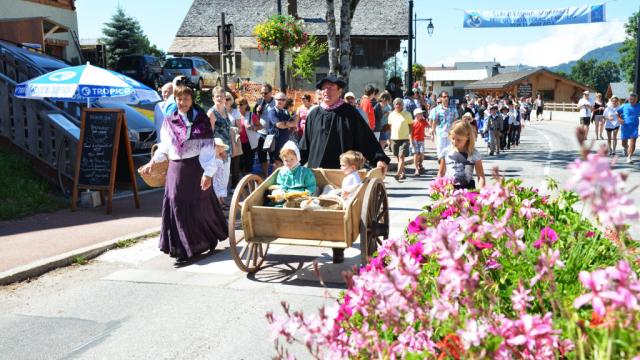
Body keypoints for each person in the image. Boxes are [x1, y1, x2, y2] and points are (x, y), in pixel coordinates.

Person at [299, 75, 390, 263]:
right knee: (314, 205)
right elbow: (305, 145)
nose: (327, 91)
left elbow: (366, 138)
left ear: (339, 90)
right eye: (324, 88)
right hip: (317, 171)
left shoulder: (349, 113)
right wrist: (293, 162)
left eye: (331, 87)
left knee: (336, 210)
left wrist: (379, 158)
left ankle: (337, 247)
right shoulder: (314, 114)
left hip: (342, 172)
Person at [140, 85, 227, 262]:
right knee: (175, 202)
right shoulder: (169, 120)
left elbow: (207, 147)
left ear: (191, 99)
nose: (183, 102)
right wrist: (152, 161)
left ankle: (204, 240)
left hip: (195, 167)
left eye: (186, 99)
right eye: (179, 99)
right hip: (175, 168)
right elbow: (164, 145)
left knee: (199, 205)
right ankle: (182, 248)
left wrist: (208, 173)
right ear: (176, 100)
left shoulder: (200, 120)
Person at [437, 120, 486, 190]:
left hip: (468, 190)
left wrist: (481, 191)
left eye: (459, 140)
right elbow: (441, 173)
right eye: (453, 138)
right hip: (450, 189)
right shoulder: (446, 152)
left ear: (468, 137)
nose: (455, 142)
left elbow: (481, 176)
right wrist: (437, 188)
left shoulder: (474, 153)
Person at [207, 86, 231, 206]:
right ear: (213, 98)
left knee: (225, 176)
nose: (220, 98)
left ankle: (221, 200)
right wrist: (217, 151)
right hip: (218, 149)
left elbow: (228, 128)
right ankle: (217, 202)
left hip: (227, 147)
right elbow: (209, 134)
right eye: (217, 96)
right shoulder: (211, 113)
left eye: (222, 96)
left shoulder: (225, 110)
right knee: (217, 177)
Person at [253, 83, 276, 177]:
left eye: (265, 93)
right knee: (262, 156)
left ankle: (274, 176)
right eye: (262, 93)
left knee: (273, 157)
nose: (263, 95)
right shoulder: (259, 102)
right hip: (261, 133)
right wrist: (258, 112)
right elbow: (255, 118)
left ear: (271, 92)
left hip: (272, 133)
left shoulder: (276, 102)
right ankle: (266, 176)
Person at [388, 98, 413, 180]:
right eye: (396, 104)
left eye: (400, 104)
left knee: (401, 156)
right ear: (394, 105)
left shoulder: (407, 114)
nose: (398, 106)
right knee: (398, 157)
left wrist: (410, 136)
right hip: (394, 138)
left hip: (404, 138)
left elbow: (411, 126)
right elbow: (390, 126)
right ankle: (403, 173)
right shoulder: (391, 114)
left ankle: (398, 173)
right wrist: (389, 139)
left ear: (403, 105)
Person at [271, 92, 298, 168]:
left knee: (284, 164)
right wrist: (290, 123)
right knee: (277, 164)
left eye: (283, 100)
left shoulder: (285, 112)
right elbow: (279, 125)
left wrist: (289, 123)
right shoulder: (272, 111)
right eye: (279, 99)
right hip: (276, 143)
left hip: (285, 142)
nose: (281, 101)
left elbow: (293, 125)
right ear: (275, 100)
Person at [430, 91, 458, 159]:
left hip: (450, 133)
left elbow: (455, 120)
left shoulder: (453, 108)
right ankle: (441, 163)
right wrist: (432, 133)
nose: (446, 98)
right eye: (444, 97)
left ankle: (448, 164)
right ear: (441, 98)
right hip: (440, 132)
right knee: (440, 150)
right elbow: (434, 121)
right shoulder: (436, 110)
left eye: (447, 96)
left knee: (450, 149)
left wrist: (456, 131)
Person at [236, 97, 261, 174]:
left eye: (241, 104)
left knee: (248, 164)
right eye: (237, 104)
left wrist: (253, 127)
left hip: (249, 144)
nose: (238, 106)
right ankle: (243, 182)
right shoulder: (236, 115)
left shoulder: (251, 115)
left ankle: (248, 183)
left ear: (246, 105)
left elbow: (260, 126)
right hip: (238, 143)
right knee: (240, 164)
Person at [617, 93, 640, 163]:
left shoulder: (639, 106)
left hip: (634, 126)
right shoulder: (624, 106)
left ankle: (629, 157)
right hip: (625, 126)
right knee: (624, 143)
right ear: (628, 99)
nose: (632, 101)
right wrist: (619, 119)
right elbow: (617, 113)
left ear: (636, 99)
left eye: (633, 99)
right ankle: (626, 147)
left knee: (633, 142)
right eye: (630, 99)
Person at [411, 108, 428, 176]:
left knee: (421, 154)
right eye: (420, 114)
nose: (422, 115)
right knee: (416, 154)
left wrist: (430, 130)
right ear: (416, 115)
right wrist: (411, 141)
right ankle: (416, 169)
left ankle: (420, 164)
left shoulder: (423, 121)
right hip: (414, 140)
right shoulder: (413, 123)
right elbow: (410, 133)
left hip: (421, 140)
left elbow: (428, 125)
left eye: (422, 113)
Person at [212, 138, 229, 205]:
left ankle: (222, 201)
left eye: (221, 146)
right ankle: (219, 203)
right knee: (216, 189)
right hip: (215, 176)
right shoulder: (214, 156)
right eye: (218, 146)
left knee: (220, 187)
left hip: (219, 176)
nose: (220, 148)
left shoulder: (220, 156)